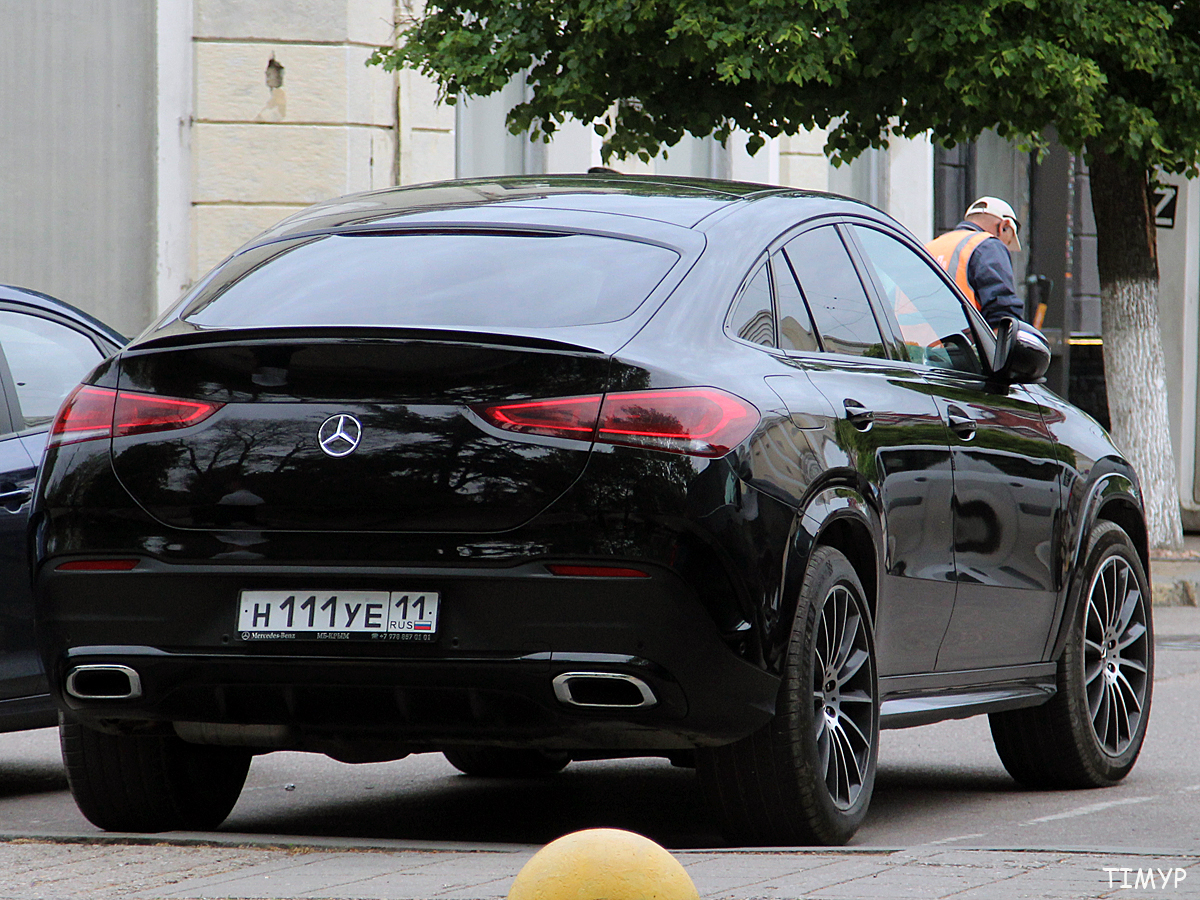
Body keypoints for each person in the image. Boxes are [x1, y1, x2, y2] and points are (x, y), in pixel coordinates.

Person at [925, 196, 1023, 327]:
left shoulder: (929, 247)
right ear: (1003, 227)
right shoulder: (987, 244)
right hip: (959, 343)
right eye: (1007, 241)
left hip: (911, 344)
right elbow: (1002, 313)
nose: (1005, 247)